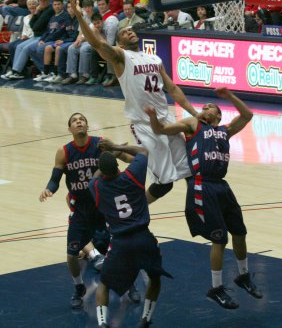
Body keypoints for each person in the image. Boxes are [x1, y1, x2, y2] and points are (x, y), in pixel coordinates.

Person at [71, 0, 198, 204]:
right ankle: (135, 211)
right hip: (145, 124)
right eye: (124, 32)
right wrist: (80, 16)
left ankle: (200, 210)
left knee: (190, 173)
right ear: (119, 42)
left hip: (167, 120)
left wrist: (194, 115)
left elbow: (173, 88)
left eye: (131, 30)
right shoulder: (121, 57)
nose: (129, 32)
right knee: (164, 184)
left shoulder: (154, 59)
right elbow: (96, 42)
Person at [145, 87, 263, 310]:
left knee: (240, 232)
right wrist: (153, 118)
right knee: (219, 239)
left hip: (221, 185)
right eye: (204, 106)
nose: (205, 108)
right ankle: (216, 288)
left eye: (210, 107)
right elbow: (161, 129)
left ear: (218, 115)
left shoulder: (225, 130)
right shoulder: (193, 124)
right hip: (202, 186)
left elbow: (247, 115)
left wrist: (229, 97)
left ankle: (243, 275)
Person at [38, 112, 140, 308]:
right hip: (81, 210)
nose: (79, 122)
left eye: (82, 120)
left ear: (87, 126)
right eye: (75, 120)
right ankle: (78, 287)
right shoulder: (64, 152)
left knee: (120, 248)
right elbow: (55, 179)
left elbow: (124, 157)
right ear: (70, 129)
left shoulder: (100, 143)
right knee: (71, 254)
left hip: (102, 205)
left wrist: (137, 159)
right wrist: (48, 189)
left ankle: (129, 283)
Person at [89, 140, 173, 328]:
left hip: (120, 242)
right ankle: (146, 318)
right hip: (143, 238)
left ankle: (102, 324)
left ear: (102, 173)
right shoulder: (132, 176)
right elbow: (143, 150)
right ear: (119, 166)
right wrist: (116, 148)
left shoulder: (96, 187)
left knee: (104, 283)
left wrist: (102, 164)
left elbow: (95, 178)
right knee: (154, 277)